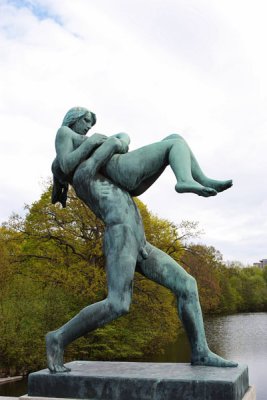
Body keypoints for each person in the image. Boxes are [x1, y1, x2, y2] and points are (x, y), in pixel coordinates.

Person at [46, 107, 237, 373]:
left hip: (139, 240)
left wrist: (120, 144)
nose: (89, 133)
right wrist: (112, 141)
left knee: (187, 285)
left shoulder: (106, 176)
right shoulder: (82, 174)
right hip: (120, 235)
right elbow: (85, 156)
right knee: (117, 304)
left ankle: (201, 352)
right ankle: (57, 338)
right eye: (85, 127)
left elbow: (125, 171)